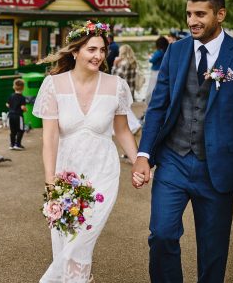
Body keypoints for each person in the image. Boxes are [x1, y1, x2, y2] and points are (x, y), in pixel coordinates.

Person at [132, 0, 233, 283]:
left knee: (213, 250)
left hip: (217, 169)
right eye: (188, 14)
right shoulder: (175, 51)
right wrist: (144, 155)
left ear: (220, 14)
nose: (192, 20)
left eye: (200, 14)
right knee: (162, 235)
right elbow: (157, 107)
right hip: (173, 162)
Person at [33, 20, 142, 282]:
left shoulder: (116, 86)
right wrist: (51, 184)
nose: (99, 56)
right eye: (92, 50)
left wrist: (139, 162)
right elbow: (49, 139)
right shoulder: (54, 85)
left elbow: (123, 131)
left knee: (82, 240)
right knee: (65, 241)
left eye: (102, 50)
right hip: (65, 176)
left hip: (103, 173)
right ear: (75, 52)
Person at [144, 36, 169, 105]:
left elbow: (152, 60)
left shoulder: (159, 52)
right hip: (162, 71)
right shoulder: (166, 51)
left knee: (151, 89)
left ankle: (150, 103)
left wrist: (150, 56)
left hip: (155, 72)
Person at [5, 78, 27, 150]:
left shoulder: (11, 96)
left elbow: (7, 105)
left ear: (14, 87)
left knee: (13, 131)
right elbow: (23, 107)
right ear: (23, 88)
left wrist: (12, 106)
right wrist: (25, 110)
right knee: (21, 130)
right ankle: (18, 144)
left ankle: (12, 144)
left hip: (10, 115)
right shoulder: (22, 97)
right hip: (18, 116)